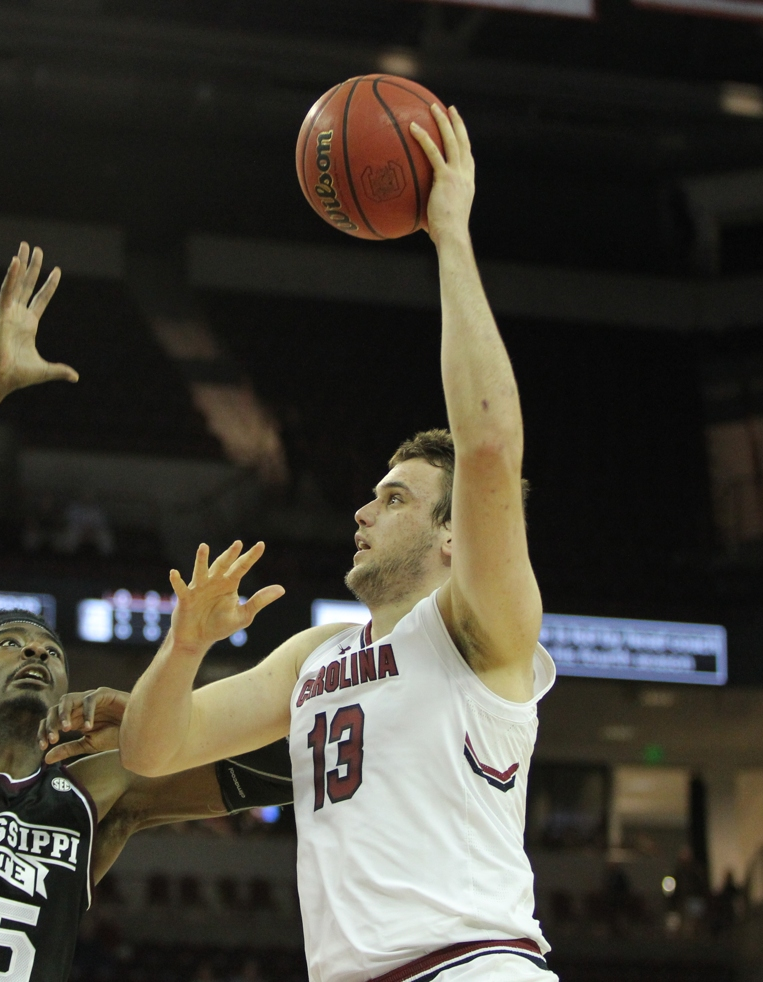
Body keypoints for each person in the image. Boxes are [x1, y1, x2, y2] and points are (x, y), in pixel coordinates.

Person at [114, 105, 557, 982]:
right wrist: (183, 647)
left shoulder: (482, 631)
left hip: (470, 966)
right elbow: (149, 752)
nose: (364, 510)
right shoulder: (318, 655)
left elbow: (490, 447)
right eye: (370, 493)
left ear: (448, 539)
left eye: (394, 498)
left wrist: (450, 238)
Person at [0, 244, 288, 982]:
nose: (37, 653)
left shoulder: (95, 795)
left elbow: (294, 767)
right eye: (9, 643)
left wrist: (139, 711)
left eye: (48, 648)